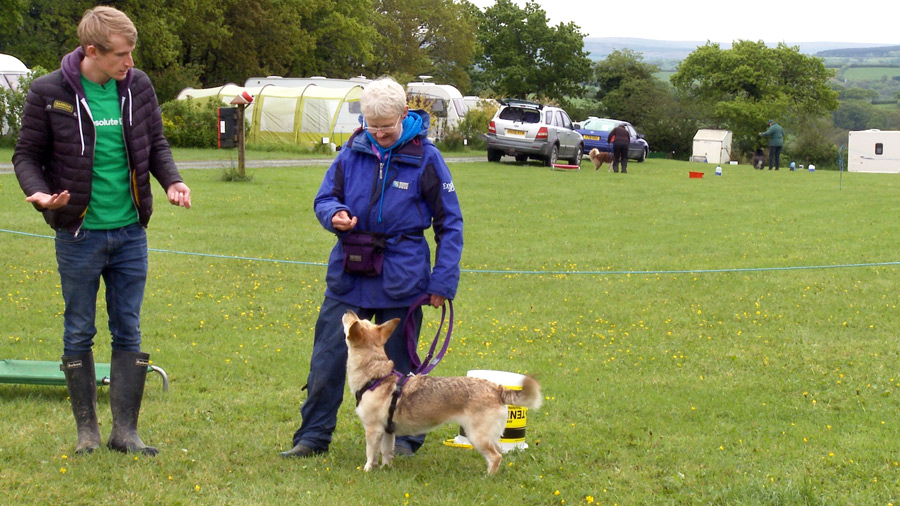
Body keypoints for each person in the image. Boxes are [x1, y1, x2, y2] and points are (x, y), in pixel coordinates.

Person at [13, 6, 191, 456]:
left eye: (131, 54)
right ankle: (87, 433)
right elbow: (26, 156)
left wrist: (171, 180)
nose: (129, 63)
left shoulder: (139, 87)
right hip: (79, 234)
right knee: (78, 331)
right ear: (92, 52)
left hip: (130, 232)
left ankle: (125, 432)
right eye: (121, 56)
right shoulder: (47, 91)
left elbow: (156, 144)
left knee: (128, 329)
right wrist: (37, 192)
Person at [280, 77, 464, 459]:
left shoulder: (427, 157)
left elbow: (450, 222)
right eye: (372, 126)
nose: (379, 133)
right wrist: (335, 215)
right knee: (327, 358)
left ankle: (406, 441)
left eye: (387, 126)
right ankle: (313, 437)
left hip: (404, 278)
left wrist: (443, 281)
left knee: (402, 369)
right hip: (350, 275)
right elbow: (324, 197)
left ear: (403, 115)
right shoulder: (350, 153)